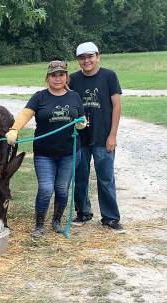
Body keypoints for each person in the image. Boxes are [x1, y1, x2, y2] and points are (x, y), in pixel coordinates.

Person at [6, 61, 86, 238]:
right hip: (44, 154)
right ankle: (39, 225)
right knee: (46, 188)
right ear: (48, 77)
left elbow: (80, 117)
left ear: (66, 77)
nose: (57, 78)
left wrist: (82, 123)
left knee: (62, 189)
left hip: (69, 153)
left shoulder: (74, 97)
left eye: (61, 74)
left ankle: (56, 221)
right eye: (53, 75)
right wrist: (14, 129)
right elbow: (26, 114)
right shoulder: (39, 97)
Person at [69, 42, 124, 233]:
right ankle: (83, 212)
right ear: (78, 61)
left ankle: (110, 218)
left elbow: (116, 105)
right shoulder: (73, 79)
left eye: (90, 56)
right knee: (80, 177)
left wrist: (113, 135)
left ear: (97, 56)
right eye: (82, 58)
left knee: (106, 178)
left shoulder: (109, 76)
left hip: (103, 137)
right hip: (80, 138)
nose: (86, 61)